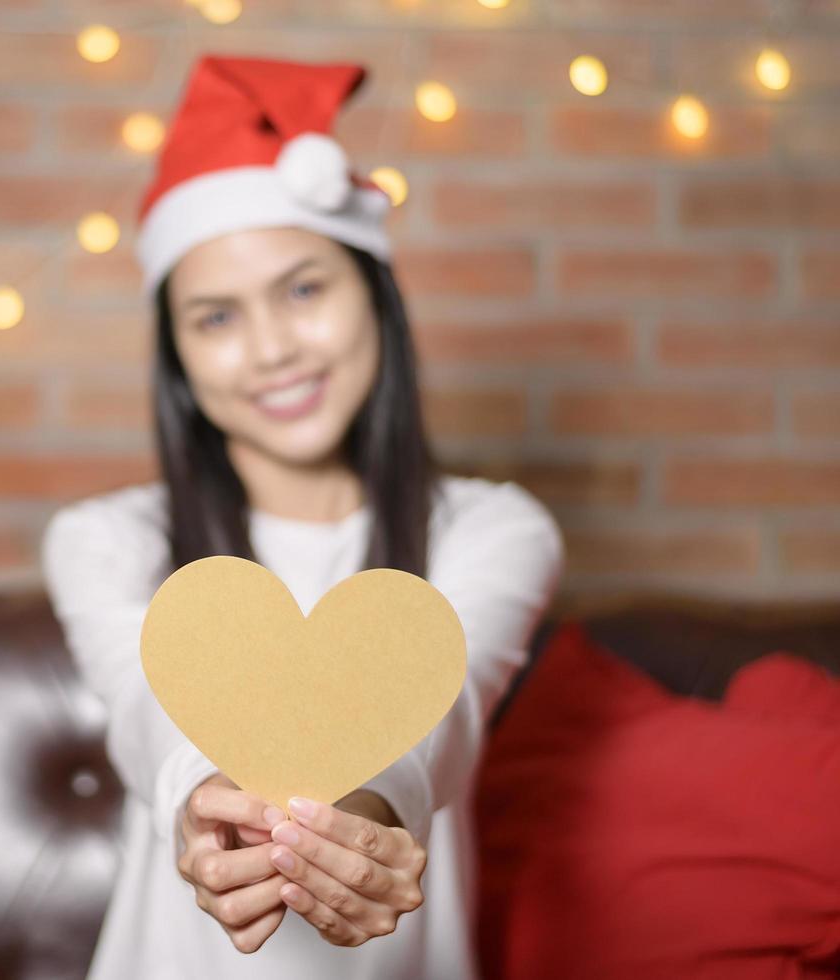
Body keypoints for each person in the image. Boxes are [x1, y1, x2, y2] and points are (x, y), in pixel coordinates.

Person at [39, 54, 564, 980]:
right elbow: (145, 705)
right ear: (180, 364)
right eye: (215, 318)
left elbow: (445, 710)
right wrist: (203, 801)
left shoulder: (495, 532)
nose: (273, 349)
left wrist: (365, 815)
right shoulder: (103, 542)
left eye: (304, 289)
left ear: (376, 297)